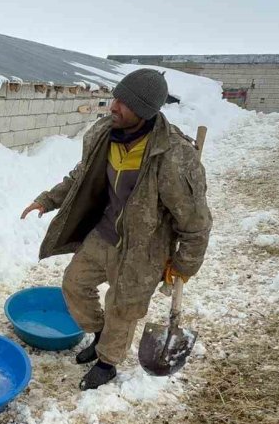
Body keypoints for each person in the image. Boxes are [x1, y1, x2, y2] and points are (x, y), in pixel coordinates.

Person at [21, 69, 212, 390]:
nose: (113, 107)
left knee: (123, 309)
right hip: (104, 233)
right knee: (74, 284)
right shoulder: (103, 134)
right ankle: (98, 335)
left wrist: (183, 264)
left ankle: (108, 362)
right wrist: (48, 199)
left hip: (144, 250)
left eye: (124, 103)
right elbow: (80, 176)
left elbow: (196, 222)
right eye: (116, 98)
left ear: (146, 111)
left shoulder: (175, 157)